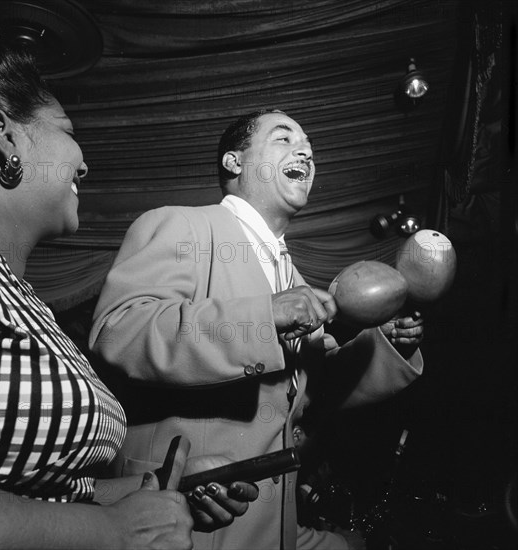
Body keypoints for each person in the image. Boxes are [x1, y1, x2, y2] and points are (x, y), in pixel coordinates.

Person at [0, 28, 257, 550]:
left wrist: (162, 493)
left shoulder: (22, 299)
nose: (83, 162)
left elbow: (42, 492)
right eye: (67, 129)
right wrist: (109, 532)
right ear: (5, 135)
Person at [89, 109, 424, 550]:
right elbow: (119, 332)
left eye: (308, 146)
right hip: (179, 513)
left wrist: (386, 344)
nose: (305, 150)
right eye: (284, 138)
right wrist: (264, 315)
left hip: (265, 524)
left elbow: (317, 395)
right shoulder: (181, 225)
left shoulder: (296, 280)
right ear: (234, 162)